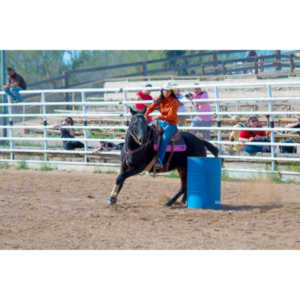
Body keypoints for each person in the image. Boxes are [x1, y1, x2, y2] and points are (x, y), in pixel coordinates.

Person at [145, 82, 179, 169]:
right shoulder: (158, 99)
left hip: (170, 124)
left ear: (171, 92)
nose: (166, 92)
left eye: (168, 91)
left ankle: (159, 161)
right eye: (165, 90)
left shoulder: (174, 101)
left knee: (164, 139)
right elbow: (151, 107)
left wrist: (158, 116)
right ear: (162, 91)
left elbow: (171, 116)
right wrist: (145, 115)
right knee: (147, 131)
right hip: (161, 122)